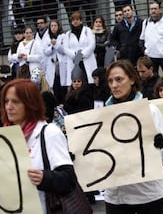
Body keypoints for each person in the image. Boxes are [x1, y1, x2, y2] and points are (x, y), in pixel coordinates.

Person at [104, 60, 163, 213]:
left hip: (148, 195)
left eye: (119, 79)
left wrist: (158, 147)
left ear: (132, 79)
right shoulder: (102, 117)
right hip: (116, 197)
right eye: (110, 81)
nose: (114, 85)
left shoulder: (150, 111)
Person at [1, 79, 76, 214]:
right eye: (6, 101)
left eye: (15, 102)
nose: (9, 107)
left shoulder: (49, 133)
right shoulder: (6, 137)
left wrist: (44, 178)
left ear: (30, 104)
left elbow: (68, 179)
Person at [140, 0, 163, 75]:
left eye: (155, 9)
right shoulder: (145, 22)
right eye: (151, 9)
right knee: (152, 79)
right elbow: (141, 39)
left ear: (160, 10)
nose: (153, 11)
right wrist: (145, 51)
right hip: (150, 56)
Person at [61, 11, 97, 86]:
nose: (75, 22)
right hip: (74, 62)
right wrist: (75, 55)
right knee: (75, 83)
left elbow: (92, 45)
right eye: (73, 20)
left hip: (86, 60)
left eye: (77, 19)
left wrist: (81, 54)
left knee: (88, 81)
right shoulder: (68, 34)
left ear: (81, 21)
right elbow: (65, 48)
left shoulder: (87, 30)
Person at [42, 19, 67, 104]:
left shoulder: (63, 36)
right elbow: (45, 52)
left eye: (55, 26)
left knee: (62, 86)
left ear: (58, 26)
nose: (53, 28)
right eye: (52, 26)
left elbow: (63, 50)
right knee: (54, 86)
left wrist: (56, 44)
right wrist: (52, 46)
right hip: (52, 65)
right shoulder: (46, 37)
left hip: (61, 64)